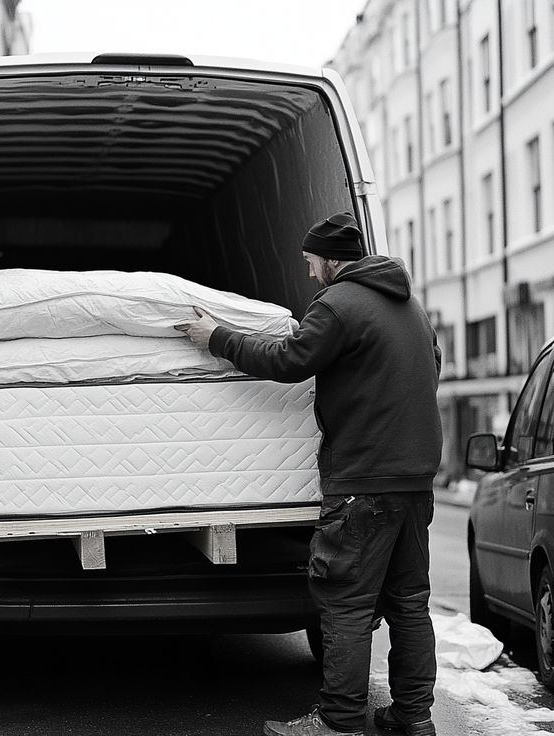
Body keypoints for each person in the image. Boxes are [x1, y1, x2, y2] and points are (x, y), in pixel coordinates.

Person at [175, 211, 442, 736]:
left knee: (345, 600)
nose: (308, 272)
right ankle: (414, 717)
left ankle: (338, 722)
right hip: (413, 479)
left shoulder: (339, 304)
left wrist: (217, 338)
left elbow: (291, 359)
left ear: (330, 259)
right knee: (410, 602)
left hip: (363, 482)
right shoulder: (410, 305)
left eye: (310, 261)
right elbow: (431, 361)